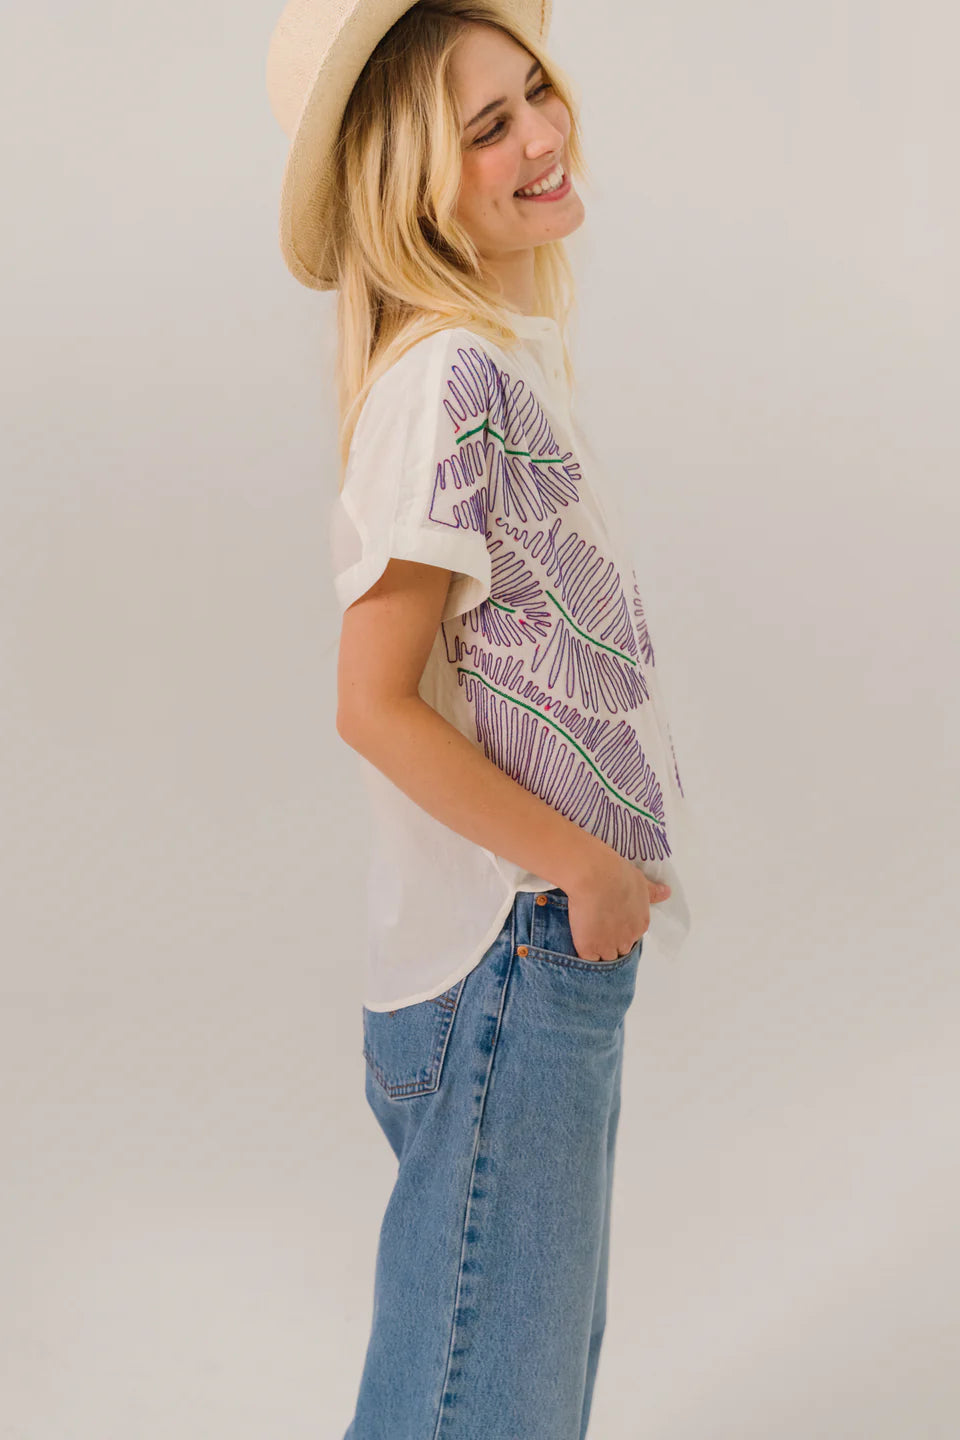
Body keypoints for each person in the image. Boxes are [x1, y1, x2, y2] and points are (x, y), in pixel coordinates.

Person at [266, 2, 696, 1434]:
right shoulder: (447, 382)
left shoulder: (493, 365)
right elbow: (371, 702)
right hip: (510, 957)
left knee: (508, 1400)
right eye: (488, 127)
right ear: (411, 187)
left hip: (537, 957)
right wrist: (580, 867)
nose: (543, 137)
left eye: (537, 94)